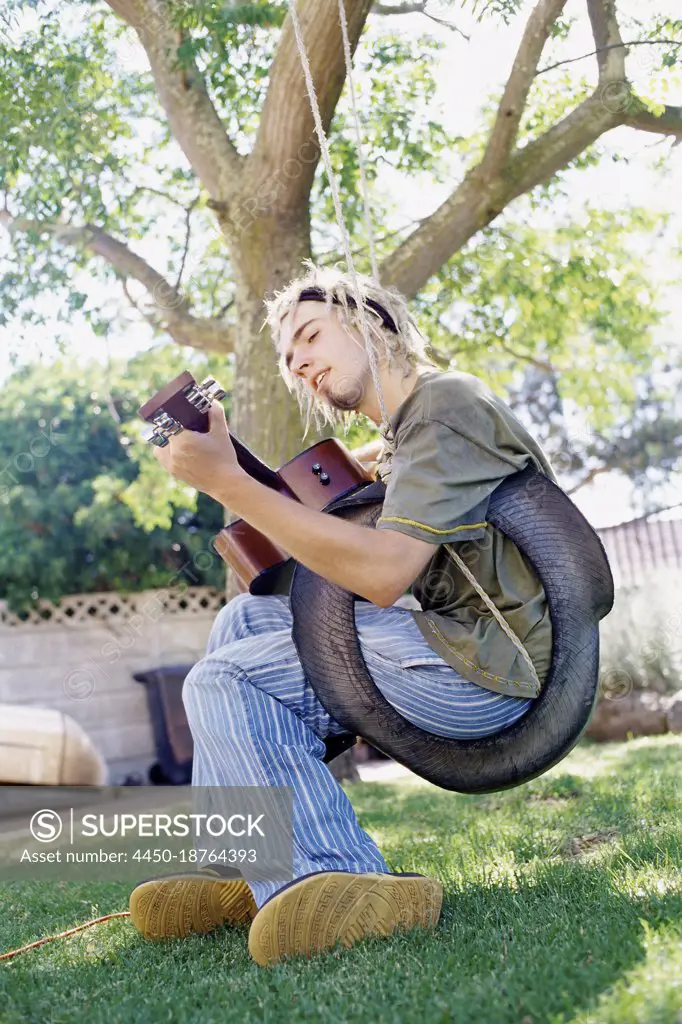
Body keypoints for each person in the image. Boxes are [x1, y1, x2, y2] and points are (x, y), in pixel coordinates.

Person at [129, 264, 556, 967]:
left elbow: (384, 572)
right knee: (240, 626)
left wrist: (227, 480)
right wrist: (232, 466)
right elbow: (315, 535)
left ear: (369, 320)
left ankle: (337, 875)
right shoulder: (405, 444)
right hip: (457, 650)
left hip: (492, 670)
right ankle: (241, 863)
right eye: (288, 357)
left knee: (225, 680)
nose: (297, 362)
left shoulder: (446, 406)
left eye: (308, 335)